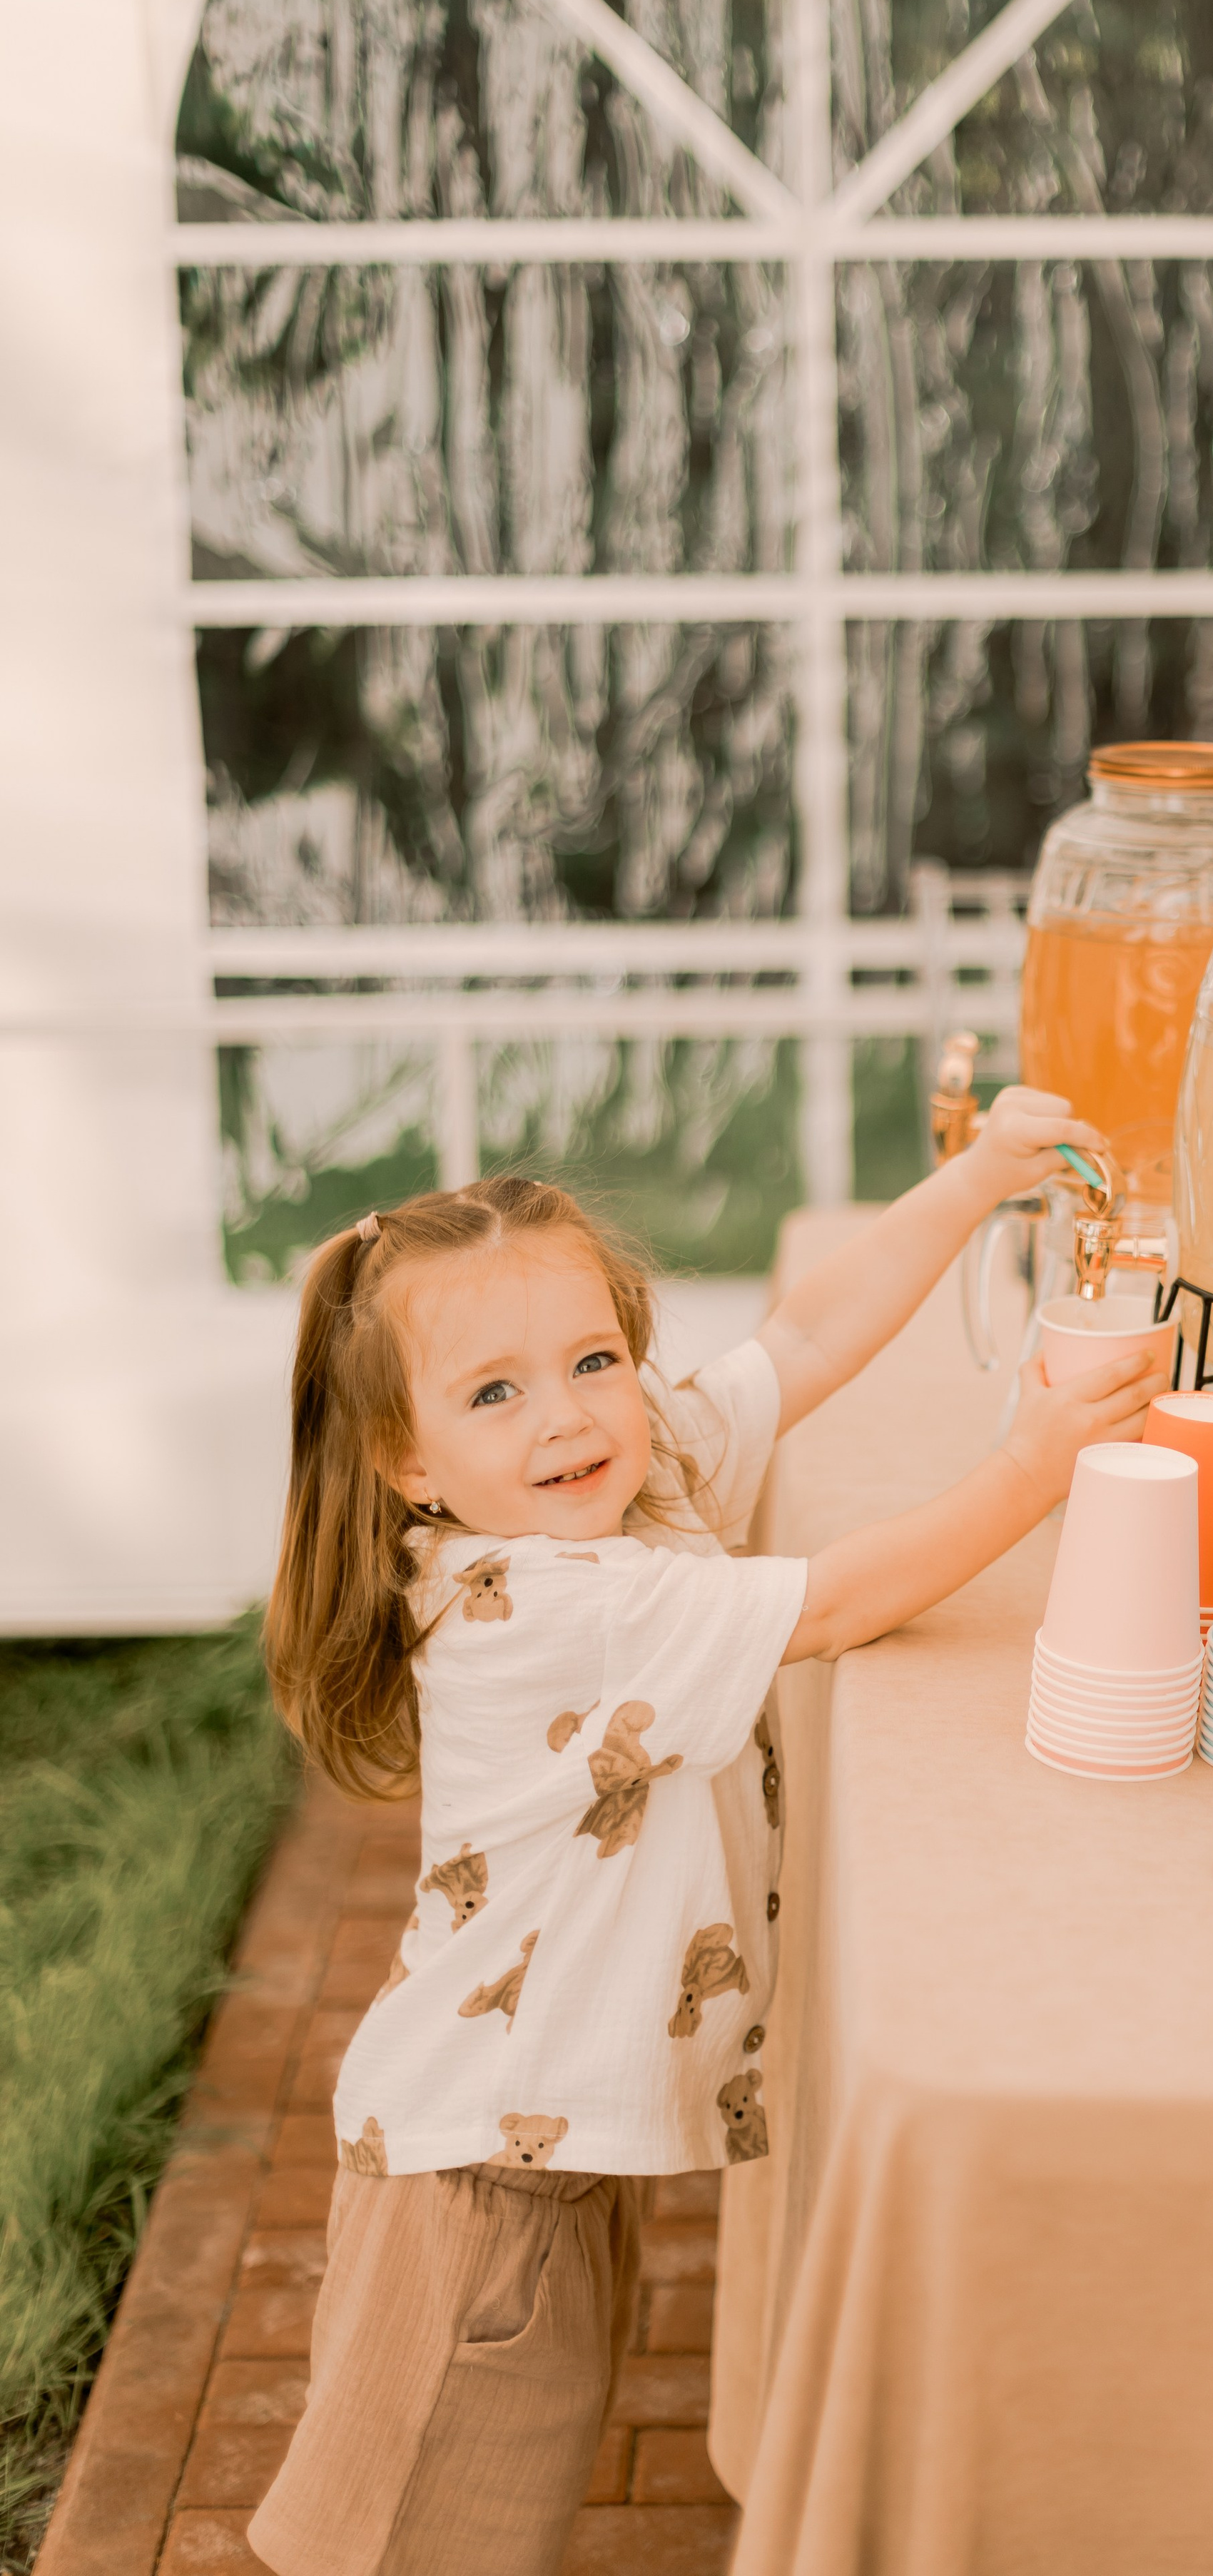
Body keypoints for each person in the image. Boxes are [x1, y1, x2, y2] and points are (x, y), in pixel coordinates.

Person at [247, 1087, 1163, 2576]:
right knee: (416, 2546)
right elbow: (848, 1599)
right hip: (478, 2189)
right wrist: (1033, 1466)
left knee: (463, 2528)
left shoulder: (625, 1485)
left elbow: (800, 1341)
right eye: (493, 1393)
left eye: (593, 1359)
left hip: (527, 2156)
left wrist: (975, 1178)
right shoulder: (548, 1603)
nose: (566, 1415)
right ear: (408, 1465)